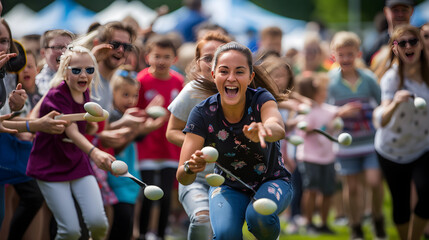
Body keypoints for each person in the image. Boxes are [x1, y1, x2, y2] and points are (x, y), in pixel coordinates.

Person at [177, 41, 293, 240]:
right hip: (228, 185)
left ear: (250, 77)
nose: (231, 78)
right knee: (225, 234)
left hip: (273, 180)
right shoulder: (202, 113)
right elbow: (182, 176)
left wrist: (265, 129)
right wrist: (191, 167)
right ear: (214, 76)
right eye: (224, 71)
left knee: (259, 215)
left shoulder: (261, 99)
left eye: (239, 72)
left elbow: (277, 128)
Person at [26, 45, 114, 240]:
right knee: (70, 232)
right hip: (50, 164)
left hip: (76, 162)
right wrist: (95, 152)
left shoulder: (85, 93)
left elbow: (84, 127)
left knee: (99, 224)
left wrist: (92, 125)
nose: (84, 75)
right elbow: (71, 130)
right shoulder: (56, 95)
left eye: (89, 70)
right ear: (64, 71)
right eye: (76, 70)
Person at [166, 31, 231, 240]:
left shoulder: (240, 91)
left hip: (231, 179)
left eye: (220, 57)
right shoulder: (191, 92)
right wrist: (199, 145)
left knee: (224, 231)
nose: (213, 63)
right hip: (195, 177)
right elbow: (172, 132)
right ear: (197, 62)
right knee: (202, 219)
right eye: (208, 58)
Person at [327, 31, 385, 240]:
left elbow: (381, 104)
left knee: (374, 181)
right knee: (351, 188)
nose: (346, 59)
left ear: (358, 54)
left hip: (370, 141)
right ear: (334, 55)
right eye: (341, 55)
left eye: (350, 54)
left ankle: (378, 218)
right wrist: (339, 113)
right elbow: (325, 111)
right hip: (345, 144)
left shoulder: (368, 79)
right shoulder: (330, 82)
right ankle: (356, 226)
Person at [373, 24, 429, 240]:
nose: (408, 46)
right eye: (402, 43)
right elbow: (382, 120)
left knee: (427, 191)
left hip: (422, 146)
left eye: (413, 41)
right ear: (395, 48)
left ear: (421, 44)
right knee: (401, 202)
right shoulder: (392, 78)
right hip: (391, 150)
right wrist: (395, 103)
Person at [294, 72, 360, 235]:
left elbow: (336, 112)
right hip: (310, 158)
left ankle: (323, 223)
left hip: (328, 158)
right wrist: (310, 128)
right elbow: (302, 129)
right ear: (312, 93)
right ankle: (309, 223)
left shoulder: (326, 109)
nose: (325, 93)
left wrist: (346, 110)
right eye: (322, 90)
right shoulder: (307, 110)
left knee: (328, 191)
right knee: (311, 190)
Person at [136, 34, 184, 240]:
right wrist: (147, 113)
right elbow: (133, 111)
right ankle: (144, 233)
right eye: (157, 56)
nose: (161, 61)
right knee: (147, 194)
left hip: (170, 148)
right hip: (146, 147)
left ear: (174, 59)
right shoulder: (141, 80)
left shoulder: (178, 81)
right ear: (148, 57)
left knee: (165, 196)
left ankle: (162, 233)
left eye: (166, 56)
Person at [106, 66, 141, 240]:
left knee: (126, 225)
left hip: (129, 181)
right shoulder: (113, 116)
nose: (131, 100)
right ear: (112, 93)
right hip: (117, 181)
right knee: (121, 222)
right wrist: (133, 129)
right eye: (125, 95)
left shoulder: (126, 115)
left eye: (135, 95)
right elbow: (116, 146)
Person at [364, 0, 414, 66]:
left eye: (404, 10)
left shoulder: (423, 40)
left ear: (412, 11)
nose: (400, 14)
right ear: (386, 12)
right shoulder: (375, 45)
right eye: (395, 10)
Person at [36, 29, 75, 95]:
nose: (64, 52)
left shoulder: (80, 76)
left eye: (69, 47)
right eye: (58, 47)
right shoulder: (38, 83)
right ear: (43, 53)